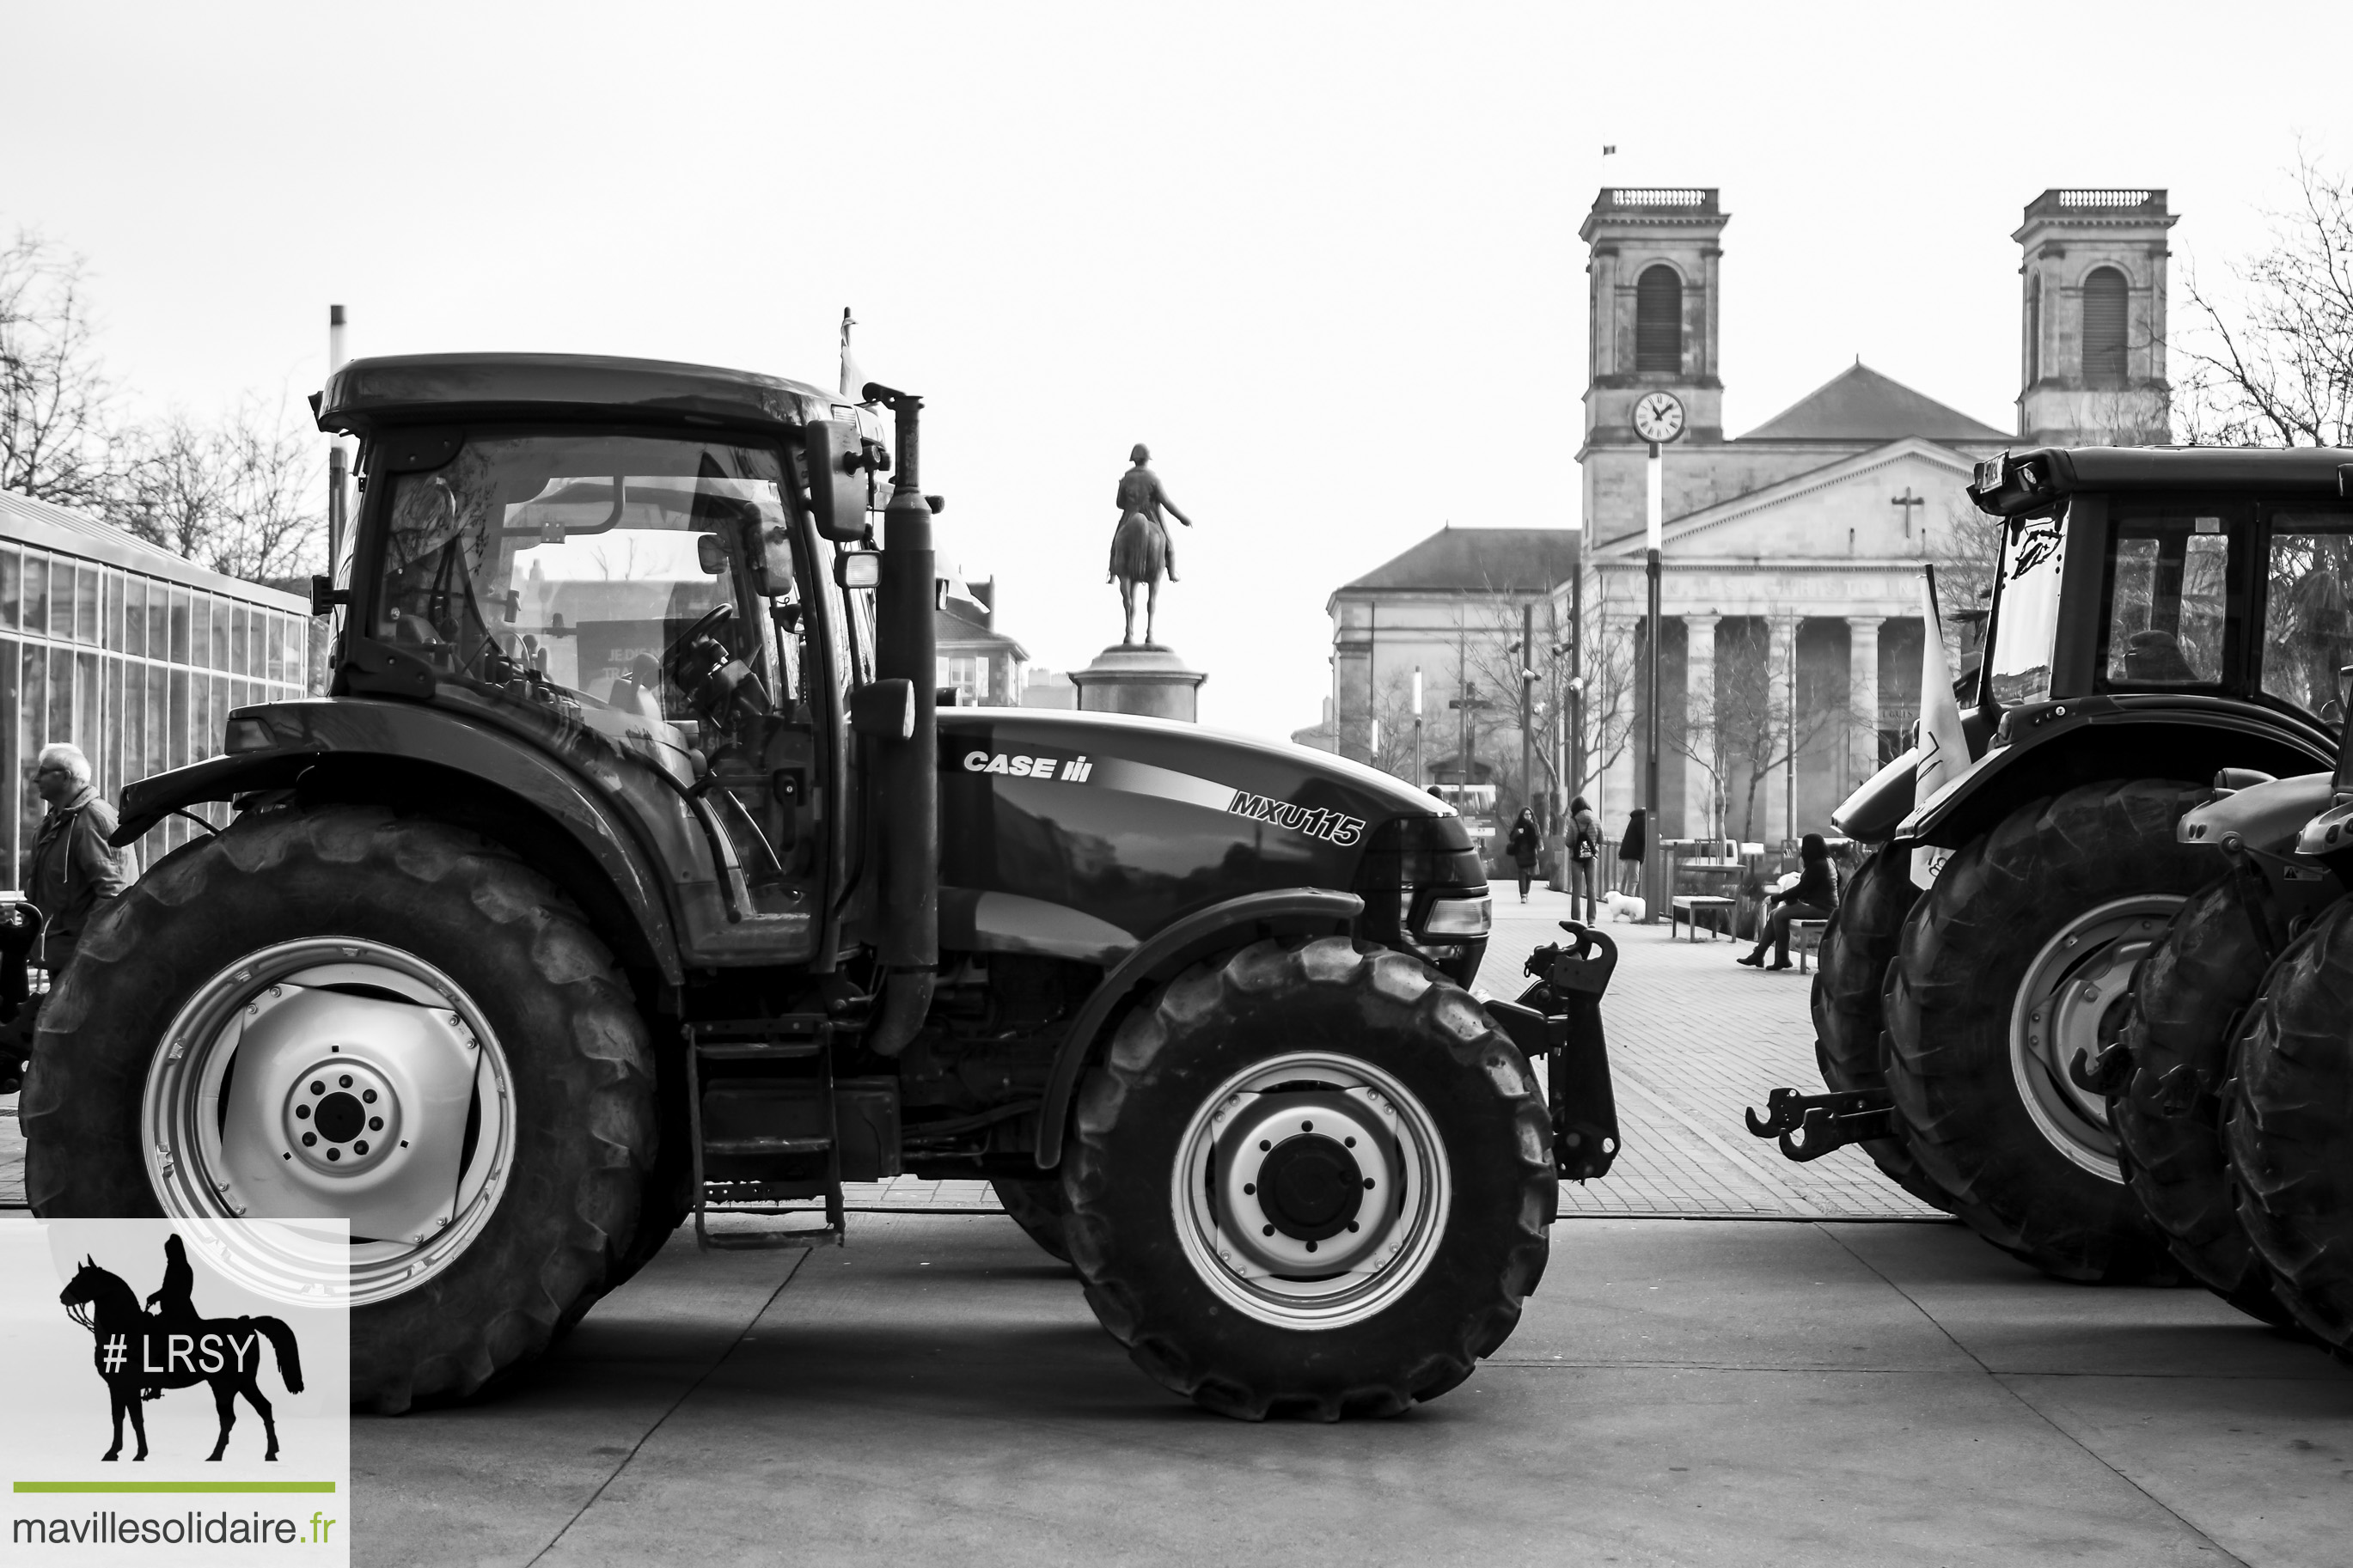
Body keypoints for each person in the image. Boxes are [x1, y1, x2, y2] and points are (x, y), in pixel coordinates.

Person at [26, 743, 135, 985]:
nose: (35, 779)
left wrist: (90, 952)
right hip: (63, 955)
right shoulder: (56, 821)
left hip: (85, 962)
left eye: (43, 771)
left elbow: (114, 894)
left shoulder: (93, 819)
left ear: (65, 776)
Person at [1739, 832, 1840, 970]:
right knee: (1775, 914)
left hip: (1823, 909)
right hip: (1821, 905)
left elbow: (1801, 889)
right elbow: (1836, 881)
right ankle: (1758, 955)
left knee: (1780, 915)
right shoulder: (1827, 861)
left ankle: (1782, 958)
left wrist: (1775, 898)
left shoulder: (1819, 865)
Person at [1567, 796, 1601, 924]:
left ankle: (1576, 919)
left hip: (1576, 858)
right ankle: (1591, 920)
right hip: (1591, 858)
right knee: (1591, 888)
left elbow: (1568, 842)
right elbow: (1601, 840)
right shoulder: (1596, 820)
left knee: (1576, 889)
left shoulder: (1573, 821)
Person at [1506, 808, 1542, 904]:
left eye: (1530, 814)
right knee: (1522, 874)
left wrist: (1541, 845)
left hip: (1532, 852)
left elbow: (1538, 836)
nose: (1528, 816)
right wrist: (1517, 832)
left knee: (1530, 874)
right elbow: (1511, 838)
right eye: (1526, 814)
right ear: (1522, 815)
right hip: (1521, 852)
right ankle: (1523, 895)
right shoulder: (1519, 825)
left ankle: (1526, 893)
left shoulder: (1534, 826)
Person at [1617, 807, 1647, 895]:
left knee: (1625, 880)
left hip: (1627, 854)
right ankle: (1628, 905)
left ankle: (1621, 904)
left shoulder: (1636, 819)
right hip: (1634, 854)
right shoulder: (1642, 819)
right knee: (1633, 880)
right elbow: (1644, 836)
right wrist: (1656, 837)